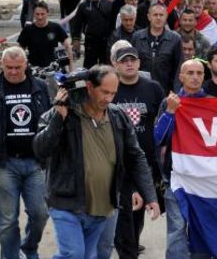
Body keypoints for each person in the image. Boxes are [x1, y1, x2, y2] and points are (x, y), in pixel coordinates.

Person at [33, 65, 161, 259]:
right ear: (90, 87)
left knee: (96, 254)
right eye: (104, 92)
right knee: (74, 254)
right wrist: (59, 117)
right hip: (67, 202)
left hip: (104, 205)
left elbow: (135, 156)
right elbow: (40, 150)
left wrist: (150, 196)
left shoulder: (118, 117)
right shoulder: (61, 113)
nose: (108, 98)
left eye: (113, 93)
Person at [0, 47, 51, 259]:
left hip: (36, 162)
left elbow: (52, 121)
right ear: (1, 65)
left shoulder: (40, 87)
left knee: (40, 214)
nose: (13, 71)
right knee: (7, 221)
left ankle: (28, 248)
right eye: (9, 67)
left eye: (18, 67)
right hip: (4, 164)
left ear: (26, 65)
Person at [104, 44, 165, 259]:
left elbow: (163, 119)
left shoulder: (153, 88)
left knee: (139, 211)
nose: (129, 64)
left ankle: (131, 243)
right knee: (123, 211)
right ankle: (125, 247)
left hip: (144, 161)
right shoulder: (110, 88)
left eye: (132, 60)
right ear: (115, 64)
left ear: (139, 63)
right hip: (116, 161)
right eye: (124, 61)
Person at [155, 60, 209, 259]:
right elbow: (158, 139)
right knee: (177, 229)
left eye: (199, 73)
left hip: (205, 180)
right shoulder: (169, 102)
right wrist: (170, 112)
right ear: (181, 76)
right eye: (190, 73)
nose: (195, 77)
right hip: (176, 177)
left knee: (202, 229)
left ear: (204, 76)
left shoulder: (211, 103)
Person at [132, 3, 183, 94]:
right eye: (155, 15)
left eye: (161, 15)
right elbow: (132, 64)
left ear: (166, 17)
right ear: (149, 17)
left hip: (166, 91)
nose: (158, 18)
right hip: (141, 89)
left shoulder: (175, 39)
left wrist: (176, 91)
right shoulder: (137, 37)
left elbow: (179, 68)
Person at [17, 1, 74, 71]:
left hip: (54, 68)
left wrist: (71, 69)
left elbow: (68, 47)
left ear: (47, 13)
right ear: (33, 14)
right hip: (34, 69)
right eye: (37, 14)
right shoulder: (27, 30)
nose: (40, 17)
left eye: (42, 14)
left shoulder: (55, 27)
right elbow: (19, 51)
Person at [71, 0, 114, 68]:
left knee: (105, 67)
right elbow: (77, 24)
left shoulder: (109, 4)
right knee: (89, 66)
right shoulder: (83, 6)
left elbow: (112, 23)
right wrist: (76, 39)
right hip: (90, 40)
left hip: (105, 40)